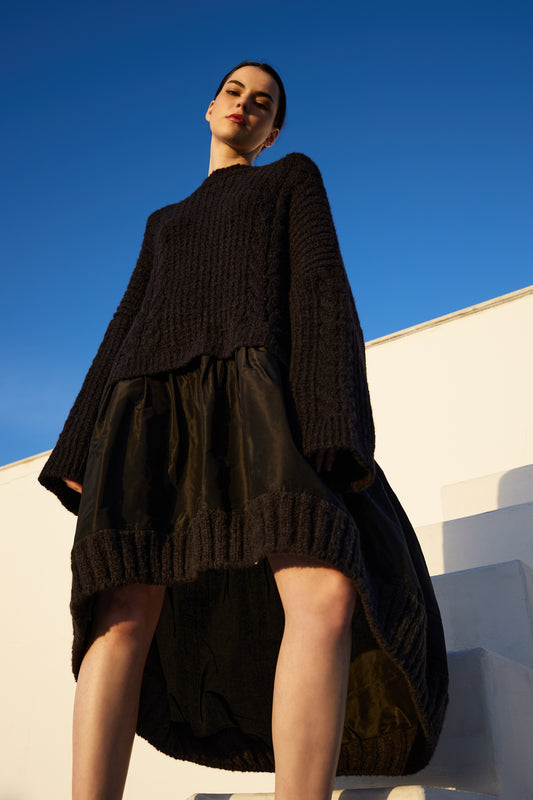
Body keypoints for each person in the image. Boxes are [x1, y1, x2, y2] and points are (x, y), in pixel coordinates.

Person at [39, 61, 449, 800]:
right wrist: (76, 447)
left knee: (326, 590)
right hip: (145, 408)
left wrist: (332, 418)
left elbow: (320, 288)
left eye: (263, 102)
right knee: (123, 612)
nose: (245, 105)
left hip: (258, 397)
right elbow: (123, 324)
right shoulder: (162, 222)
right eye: (234, 92)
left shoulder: (291, 178)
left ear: (272, 131)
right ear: (209, 108)